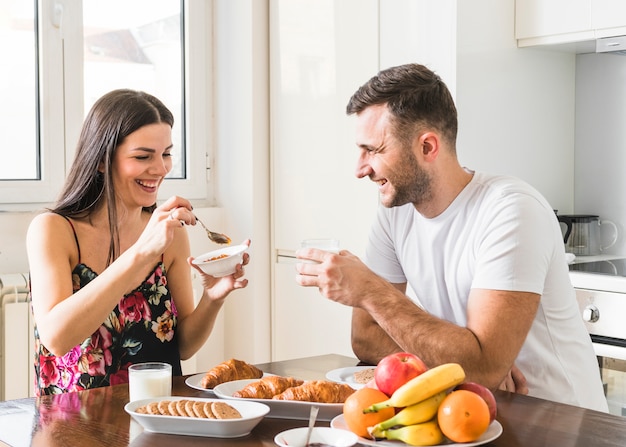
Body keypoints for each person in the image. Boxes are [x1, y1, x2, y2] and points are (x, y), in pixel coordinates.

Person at [295, 63, 608, 412]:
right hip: (474, 413)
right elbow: (365, 337)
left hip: (561, 422)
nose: (360, 168)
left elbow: (484, 367)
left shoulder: (511, 211)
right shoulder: (394, 213)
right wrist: (463, 366)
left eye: (375, 150)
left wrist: (370, 290)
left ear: (428, 146)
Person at [27, 89, 250, 395]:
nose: (160, 168)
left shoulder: (169, 235)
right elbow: (57, 338)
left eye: (166, 154)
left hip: (158, 414)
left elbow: (182, 347)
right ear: (103, 160)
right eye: (143, 156)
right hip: (74, 426)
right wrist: (143, 252)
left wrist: (213, 297)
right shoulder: (53, 229)